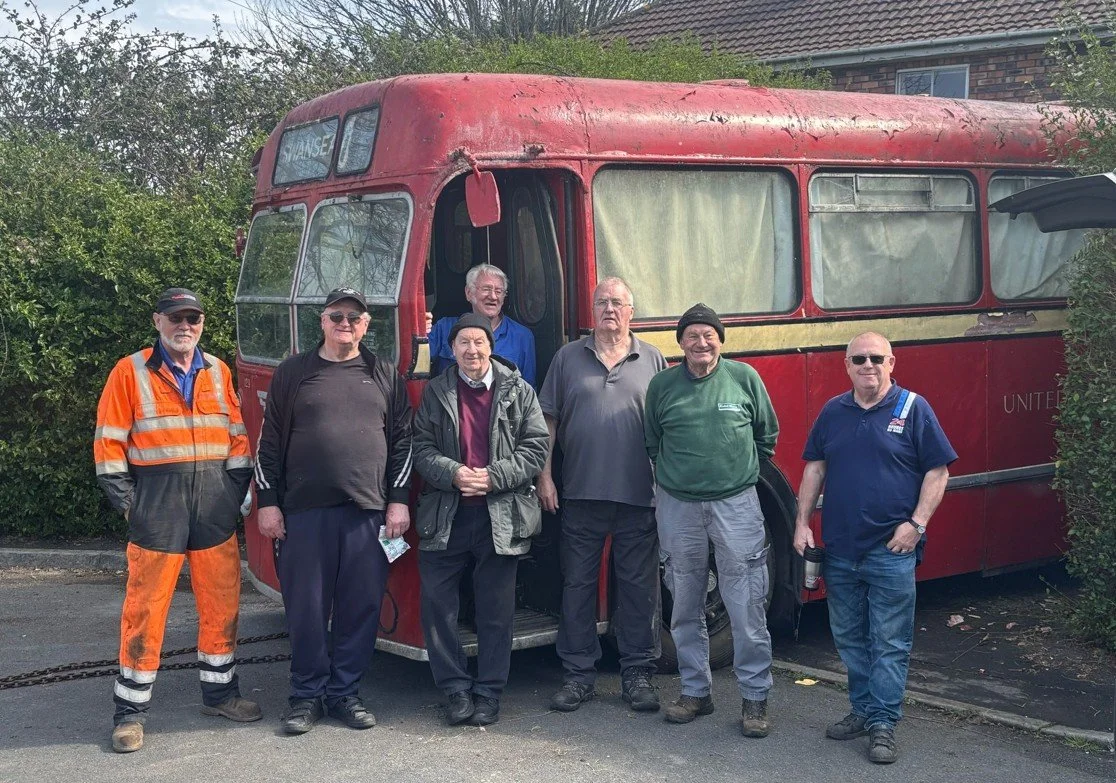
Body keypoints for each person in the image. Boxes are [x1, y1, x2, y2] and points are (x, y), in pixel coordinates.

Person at [94, 287, 260, 753]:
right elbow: (108, 445)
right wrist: (131, 503)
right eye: (175, 317)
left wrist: (232, 493)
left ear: (202, 323)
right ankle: (130, 713)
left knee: (222, 601)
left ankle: (221, 695)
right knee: (145, 607)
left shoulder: (217, 370)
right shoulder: (131, 371)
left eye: (194, 318)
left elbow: (237, 436)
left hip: (213, 501)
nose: (185, 325)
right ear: (157, 321)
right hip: (157, 502)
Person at [254, 287, 413, 735]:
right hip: (304, 513)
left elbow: (403, 440)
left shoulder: (382, 372)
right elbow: (267, 446)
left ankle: (345, 694)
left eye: (355, 318)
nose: (346, 324)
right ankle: (306, 697)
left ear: (366, 325)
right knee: (305, 609)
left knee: (359, 607)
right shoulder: (293, 373)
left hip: (368, 513)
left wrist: (398, 500)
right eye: (337, 316)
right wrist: (268, 505)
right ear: (322, 321)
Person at [793, 332, 955, 764]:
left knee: (889, 640)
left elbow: (937, 473)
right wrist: (801, 522)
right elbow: (815, 469)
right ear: (846, 365)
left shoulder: (913, 408)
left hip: (891, 550)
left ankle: (883, 722)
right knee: (849, 638)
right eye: (859, 359)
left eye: (877, 358)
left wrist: (916, 525)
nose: (869, 365)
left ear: (892, 362)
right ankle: (862, 711)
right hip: (841, 549)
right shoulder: (834, 411)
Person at [644, 303, 779, 738]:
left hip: (736, 506)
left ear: (720, 340)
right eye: (692, 336)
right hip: (677, 507)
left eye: (709, 335)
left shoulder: (744, 379)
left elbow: (766, 436)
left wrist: (738, 478)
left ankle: (755, 699)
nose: (701, 343)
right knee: (684, 605)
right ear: (680, 342)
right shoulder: (662, 386)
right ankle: (695, 692)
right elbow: (652, 443)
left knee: (746, 606)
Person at [412, 313, 549, 727]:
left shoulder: (518, 390)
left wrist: (492, 477)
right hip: (447, 515)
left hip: (500, 516)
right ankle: (454, 689)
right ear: (451, 350)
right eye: (463, 343)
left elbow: (536, 446)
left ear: (491, 347)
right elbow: (421, 447)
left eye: (479, 342)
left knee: (496, 610)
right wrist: (453, 473)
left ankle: (489, 691)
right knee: (438, 605)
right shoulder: (436, 392)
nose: (472, 350)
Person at [538, 278, 667, 713]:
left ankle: (638, 675)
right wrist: (545, 478)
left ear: (632, 312)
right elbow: (547, 423)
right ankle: (578, 677)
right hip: (580, 492)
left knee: (639, 590)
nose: (610, 309)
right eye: (602, 303)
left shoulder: (652, 358)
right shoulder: (567, 357)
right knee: (577, 586)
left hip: (639, 496)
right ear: (591, 311)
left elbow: (667, 427)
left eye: (618, 303)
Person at [426, 264, 537, 387]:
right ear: (469, 293)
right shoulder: (444, 328)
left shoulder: (522, 336)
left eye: (498, 291)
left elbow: (528, 389)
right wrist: (420, 330)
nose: (493, 296)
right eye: (486, 289)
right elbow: (415, 361)